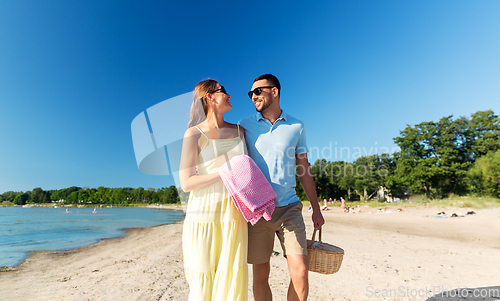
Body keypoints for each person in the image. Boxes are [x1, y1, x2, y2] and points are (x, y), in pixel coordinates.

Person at [239, 74, 325, 301]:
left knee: (301, 271)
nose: (253, 97)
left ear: (274, 91)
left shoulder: (297, 126)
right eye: (251, 94)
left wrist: (316, 209)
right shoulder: (243, 127)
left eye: (257, 91)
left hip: (289, 209)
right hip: (258, 211)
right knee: (260, 274)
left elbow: (304, 169)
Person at [179, 80, 248, 301]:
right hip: (203, 215)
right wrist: (225, 173)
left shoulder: (240, 131)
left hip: (235, 215)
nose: (229, 95)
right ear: (210, 97)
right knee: (203, 281)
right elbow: (187, 182)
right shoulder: (194, 133)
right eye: (223, 91)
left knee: (232, 279)